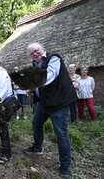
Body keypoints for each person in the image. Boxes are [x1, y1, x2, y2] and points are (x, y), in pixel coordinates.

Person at [23, 42, 77, 177]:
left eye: (36, 50)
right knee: (36, 123)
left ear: (42, 49)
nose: (35, 53)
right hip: (44, 103)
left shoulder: (54, 58)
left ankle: (66, 166)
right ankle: (37, 148)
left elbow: (49, 76)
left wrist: (33, 84)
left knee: (61, 134)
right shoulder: (34, 65)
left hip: (59, 104)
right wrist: (32, 89)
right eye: (32, 53)